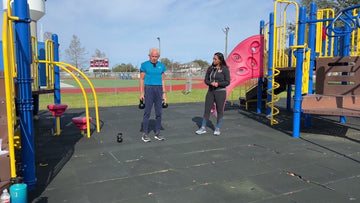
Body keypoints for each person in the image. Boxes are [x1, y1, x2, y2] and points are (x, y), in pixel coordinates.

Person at [195, 52, 230, 136]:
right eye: (213, 58)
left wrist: (218, 84)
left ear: (220, 60)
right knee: (207, 109)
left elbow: (227, 82)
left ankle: (217, 128)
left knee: (219, 110)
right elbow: (206, 80)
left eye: (215, 59)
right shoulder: (210, 68)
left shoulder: (225, 69)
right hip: (210, 91)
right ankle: (203, 128)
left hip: (220, 92)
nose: (213, 60)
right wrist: (211, 83)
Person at [139, 48, 167, 142]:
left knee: (159, 112)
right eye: (152, 56)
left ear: (158, 57)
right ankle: (145, 134)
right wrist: (142, 93)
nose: (154, 58)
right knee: (147, 112)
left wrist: (164, 94)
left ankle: (157, 133)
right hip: (149, 89)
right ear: (149, 56)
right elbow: (142, 79)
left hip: (159, 89)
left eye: (156, 56)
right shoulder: (144, 65)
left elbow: (163, 80)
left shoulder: (161, 66)